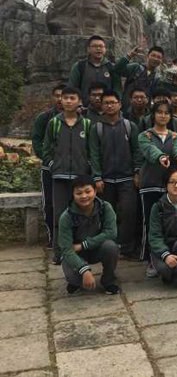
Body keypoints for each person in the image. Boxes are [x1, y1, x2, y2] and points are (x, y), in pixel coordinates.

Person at [89, 90, 142, 259]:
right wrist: (97, 176)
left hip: (127, 178)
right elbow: (94, 154)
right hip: (105, 180)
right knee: (106, 215)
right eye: (106, 103)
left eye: (113, 102)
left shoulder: (129, 126)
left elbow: (137, 151)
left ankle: (127, 247)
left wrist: (137, 172)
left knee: (129, 212)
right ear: (102, 105)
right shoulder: (96, 128)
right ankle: (108, 247)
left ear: (120, 104)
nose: (110, 106)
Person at [42, 86, 92, 263]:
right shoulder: (54, 123)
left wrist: (87, 168)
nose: (69, 101)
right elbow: (46, 149)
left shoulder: (86, 124)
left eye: (72, 98)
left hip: (80, 179)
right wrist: (53, 166)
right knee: (60, 216)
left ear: (79, 101)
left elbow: (92, 150)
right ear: (61, 101)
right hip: (60, 178)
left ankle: (80, 251)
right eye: (66, 98)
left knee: (81, 215)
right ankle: (59, 253)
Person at [138, 101, 177, 269]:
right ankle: (150, 260)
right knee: (150, 223)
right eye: (159, 112)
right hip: (149, 184)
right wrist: (161, 157)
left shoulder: (175, 136)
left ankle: (167, 257)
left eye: (166, 113)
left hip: (169, 186)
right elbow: (149, 150)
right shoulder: (145, 135)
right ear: (153, 115)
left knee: (168, 222)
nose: (163, 116)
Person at [58, 175, 119, 295]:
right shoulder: (66, 217)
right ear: (73, 195)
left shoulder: (105, 208)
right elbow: (66, 248)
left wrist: (84, 245)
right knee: (74, 277)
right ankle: (76, 281)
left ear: (95, 191)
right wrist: (84, 270)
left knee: (111, 247)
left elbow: (111, 233)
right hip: (76, 253)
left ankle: (108, 281)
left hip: (96, 248)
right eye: (79, 193)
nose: (84, 196)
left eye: (88, 191)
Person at [31, 83, 64, 247]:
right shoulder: (44, 118)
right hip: (49, 169)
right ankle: (53, 237)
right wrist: (48, 160)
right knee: (50, 204)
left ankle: (68, 237)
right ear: (52, 97)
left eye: (64, 96)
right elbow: (37, 142)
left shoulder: (78, 119)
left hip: (69, 169)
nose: (60, 99)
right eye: (57, 96)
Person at [67, 35, 127, 106]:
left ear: (105, 49)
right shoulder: (79, 66)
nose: (98, 48)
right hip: (85, 107)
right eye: (95, 46)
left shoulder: (111, 67)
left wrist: (116, 103)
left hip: (107, 107)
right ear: (88, 49)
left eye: (101, 46)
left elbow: (117, 89)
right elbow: (72, 88)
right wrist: (78, 104)